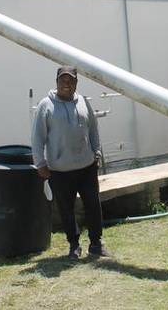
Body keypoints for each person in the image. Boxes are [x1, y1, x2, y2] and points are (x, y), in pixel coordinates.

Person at [31, 66, 110, 260]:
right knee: (67, 209)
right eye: (63, 80)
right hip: (60, 170)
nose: (67, 84)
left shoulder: (83, 102)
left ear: (76, 83)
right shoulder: (45, 105)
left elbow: (93, 128)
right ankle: (74, 245)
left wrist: (96, 153)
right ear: (56, 82)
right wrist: (40, 163)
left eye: (71, 80)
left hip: (86, 167)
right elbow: (37, 137)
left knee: (93, 205)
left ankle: (96, 244)